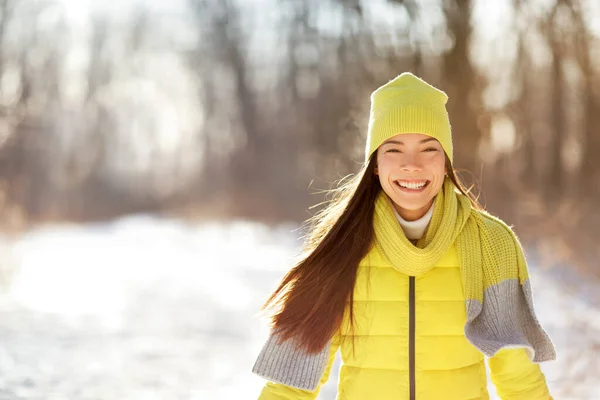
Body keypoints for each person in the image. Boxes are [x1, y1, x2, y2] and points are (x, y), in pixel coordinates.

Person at [251, 72, 556, 400]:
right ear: (377, 165)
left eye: (429, 149)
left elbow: (517, 374)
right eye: (394, 150)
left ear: (446, 160)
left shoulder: (490, 244)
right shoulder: (342, 245)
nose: (412, 165)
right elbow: (290, 384)